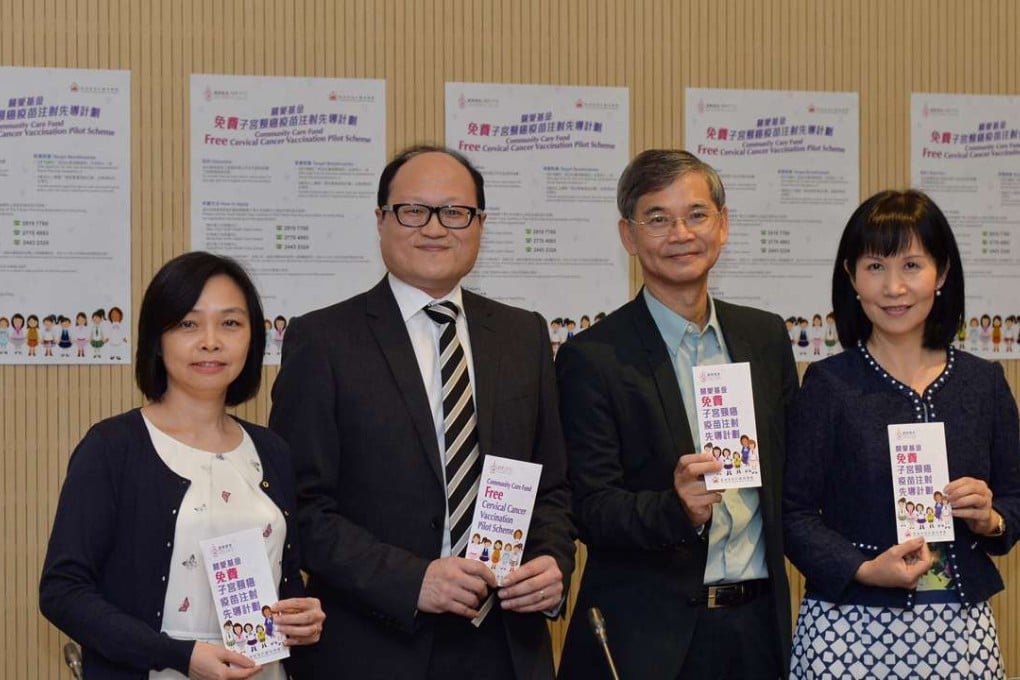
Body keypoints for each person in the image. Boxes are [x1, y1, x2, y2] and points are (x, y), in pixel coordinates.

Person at [269, 146, 575, 680]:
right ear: (381, 220)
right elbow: (302, 510)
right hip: (375, 644)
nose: (435, 228)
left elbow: (549, 486)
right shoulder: (323, 340)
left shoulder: (524, 334)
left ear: (480, 224)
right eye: (413, 211)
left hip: (506, 646)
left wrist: (553, 563)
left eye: (455, 212)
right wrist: (414, 580)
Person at [556, 149, 797, 680]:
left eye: (696, 214)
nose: (680, 233)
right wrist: (676, 508)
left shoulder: (765, 337)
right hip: (650, 639)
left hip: (759, 629)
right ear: (628, 236)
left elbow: (795, 482)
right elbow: (589, 507)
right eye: (658, 219)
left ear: (723, 224)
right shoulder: (592, 357)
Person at [39, 251, 325, 680]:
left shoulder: (271, 450)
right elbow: (63, 592)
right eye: (188, 324)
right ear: (157, 338)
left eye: (230, 323)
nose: (211, 341)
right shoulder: (113, 447)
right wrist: (178, 654)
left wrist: (301, 616)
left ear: (253, 338)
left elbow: (283, 581)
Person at [784, 190, 1020, 679]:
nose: (894, 287)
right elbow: (793, 513)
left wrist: (991, 518)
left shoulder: (983, 382)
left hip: (959, 629)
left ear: (943, 273)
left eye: (912, 265)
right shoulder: (828, 385)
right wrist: (864, 569)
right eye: (875, 267)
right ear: (850, 277)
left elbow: (1016, 498)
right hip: (847, 630)